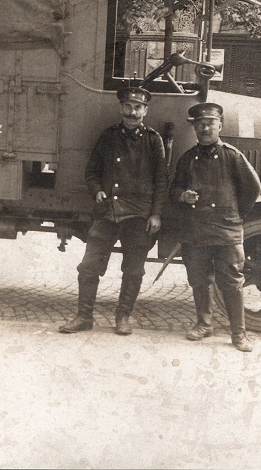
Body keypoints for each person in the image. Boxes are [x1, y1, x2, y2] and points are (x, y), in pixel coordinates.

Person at [59, 86, 167, 336]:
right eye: (128, 107)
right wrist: (96, 189)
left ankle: (123, 317)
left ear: (145, 110)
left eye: (138, 107)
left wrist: (156, 214)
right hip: (108, 212)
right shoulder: (109, 136)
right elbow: (91, 171)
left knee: (133, 270)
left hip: (139, 215)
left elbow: (162, 180)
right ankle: (84, 316)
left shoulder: (153, 140)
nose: (132, 112)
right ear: (121, 109)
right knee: (88, 267)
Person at [169, 102, 261, 352]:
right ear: (195, 128)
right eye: (200, 124)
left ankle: (238, 334)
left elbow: (253, 188)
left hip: (226, 232)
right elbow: (173, 189)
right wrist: (182, 196)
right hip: (196, 230)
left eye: (210, 123)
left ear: (220, 126)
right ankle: (204, 324)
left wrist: (234, 214)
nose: (205, 128)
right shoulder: (187, 158)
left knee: (232, 282)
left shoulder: (232, 156)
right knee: (199, 280)